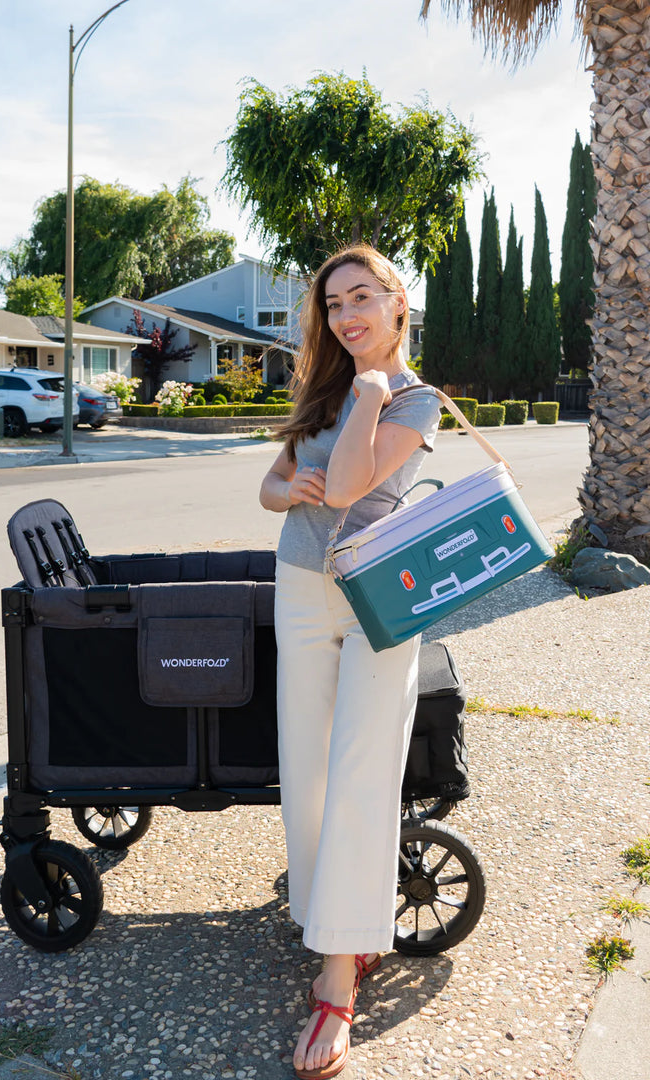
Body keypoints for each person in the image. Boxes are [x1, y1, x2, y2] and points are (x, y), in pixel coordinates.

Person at [259, 244, 441, 1080]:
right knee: (308, 769)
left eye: (362, 297)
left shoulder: (414, 398)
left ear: (398, 301)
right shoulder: (326, 387)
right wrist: (284, 489)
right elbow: (275, 484)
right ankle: (326, 922)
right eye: (333, 304)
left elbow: (348, 487)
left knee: (364, 769)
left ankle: (340, 976)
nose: (345, 315)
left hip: (378, 595)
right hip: (300, 587)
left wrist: (370, 396)